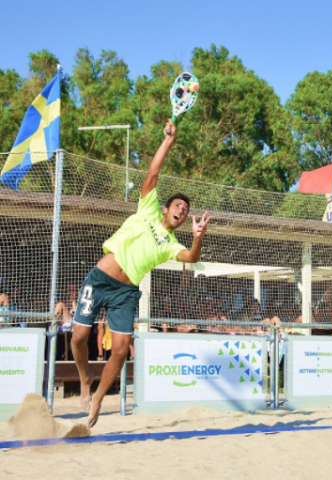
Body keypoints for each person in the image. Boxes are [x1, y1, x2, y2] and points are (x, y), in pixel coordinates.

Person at [70, 120, 212, 428]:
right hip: (99, 279)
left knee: (121, 349)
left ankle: (97, 400)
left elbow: (190, 256)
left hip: (125, 294)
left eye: (186, 211)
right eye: (178, 206)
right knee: (79, 337)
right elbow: (152, 173)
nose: (182, 211)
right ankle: (84, 378)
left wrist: (198, 236)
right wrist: (168, 141)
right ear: (165, 208)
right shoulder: (147, 209)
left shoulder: (171, 244)